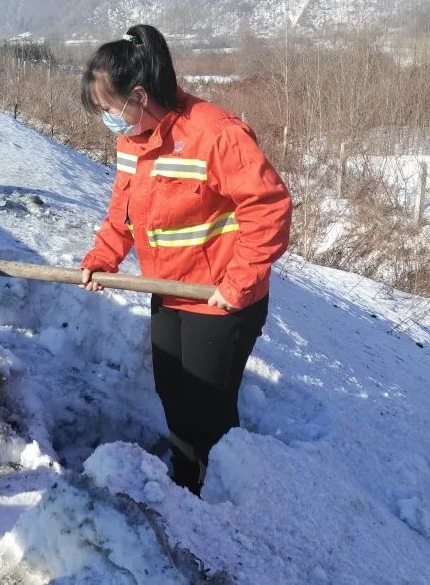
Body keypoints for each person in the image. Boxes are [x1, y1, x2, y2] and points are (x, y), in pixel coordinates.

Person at [79, 24, 292, 495]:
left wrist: (237, 283)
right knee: (172, 391)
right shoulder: (132, 140)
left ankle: (221, 491)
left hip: (219, 299)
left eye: (109, 110)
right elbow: (124, 212)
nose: (107, 121)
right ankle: (185, 474)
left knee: (208, 407)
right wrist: (102, 258)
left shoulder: (214, 133)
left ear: (137, 96)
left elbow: (269, 206)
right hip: (169, 291)